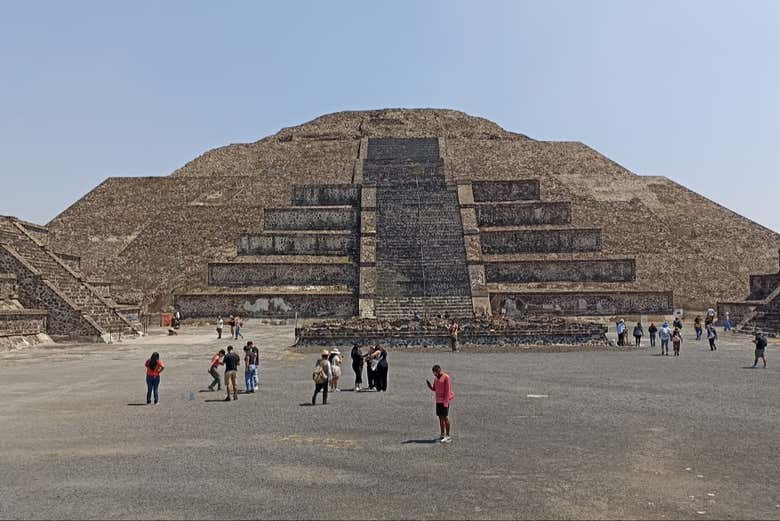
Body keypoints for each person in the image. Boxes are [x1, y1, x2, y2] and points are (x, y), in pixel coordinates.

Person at [426, 364, 454, 443]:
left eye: (436, 372)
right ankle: (442, 434)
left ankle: (448, 436)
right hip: (438, 401)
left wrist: (446, 402)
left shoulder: (446, 377)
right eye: (434, 373)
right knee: (440, 418)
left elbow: (448, 391)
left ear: (439, 370)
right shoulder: (436, 379)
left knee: (445, 417)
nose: (435, 374)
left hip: (445, 401)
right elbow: (434, 389)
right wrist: (429, 386)